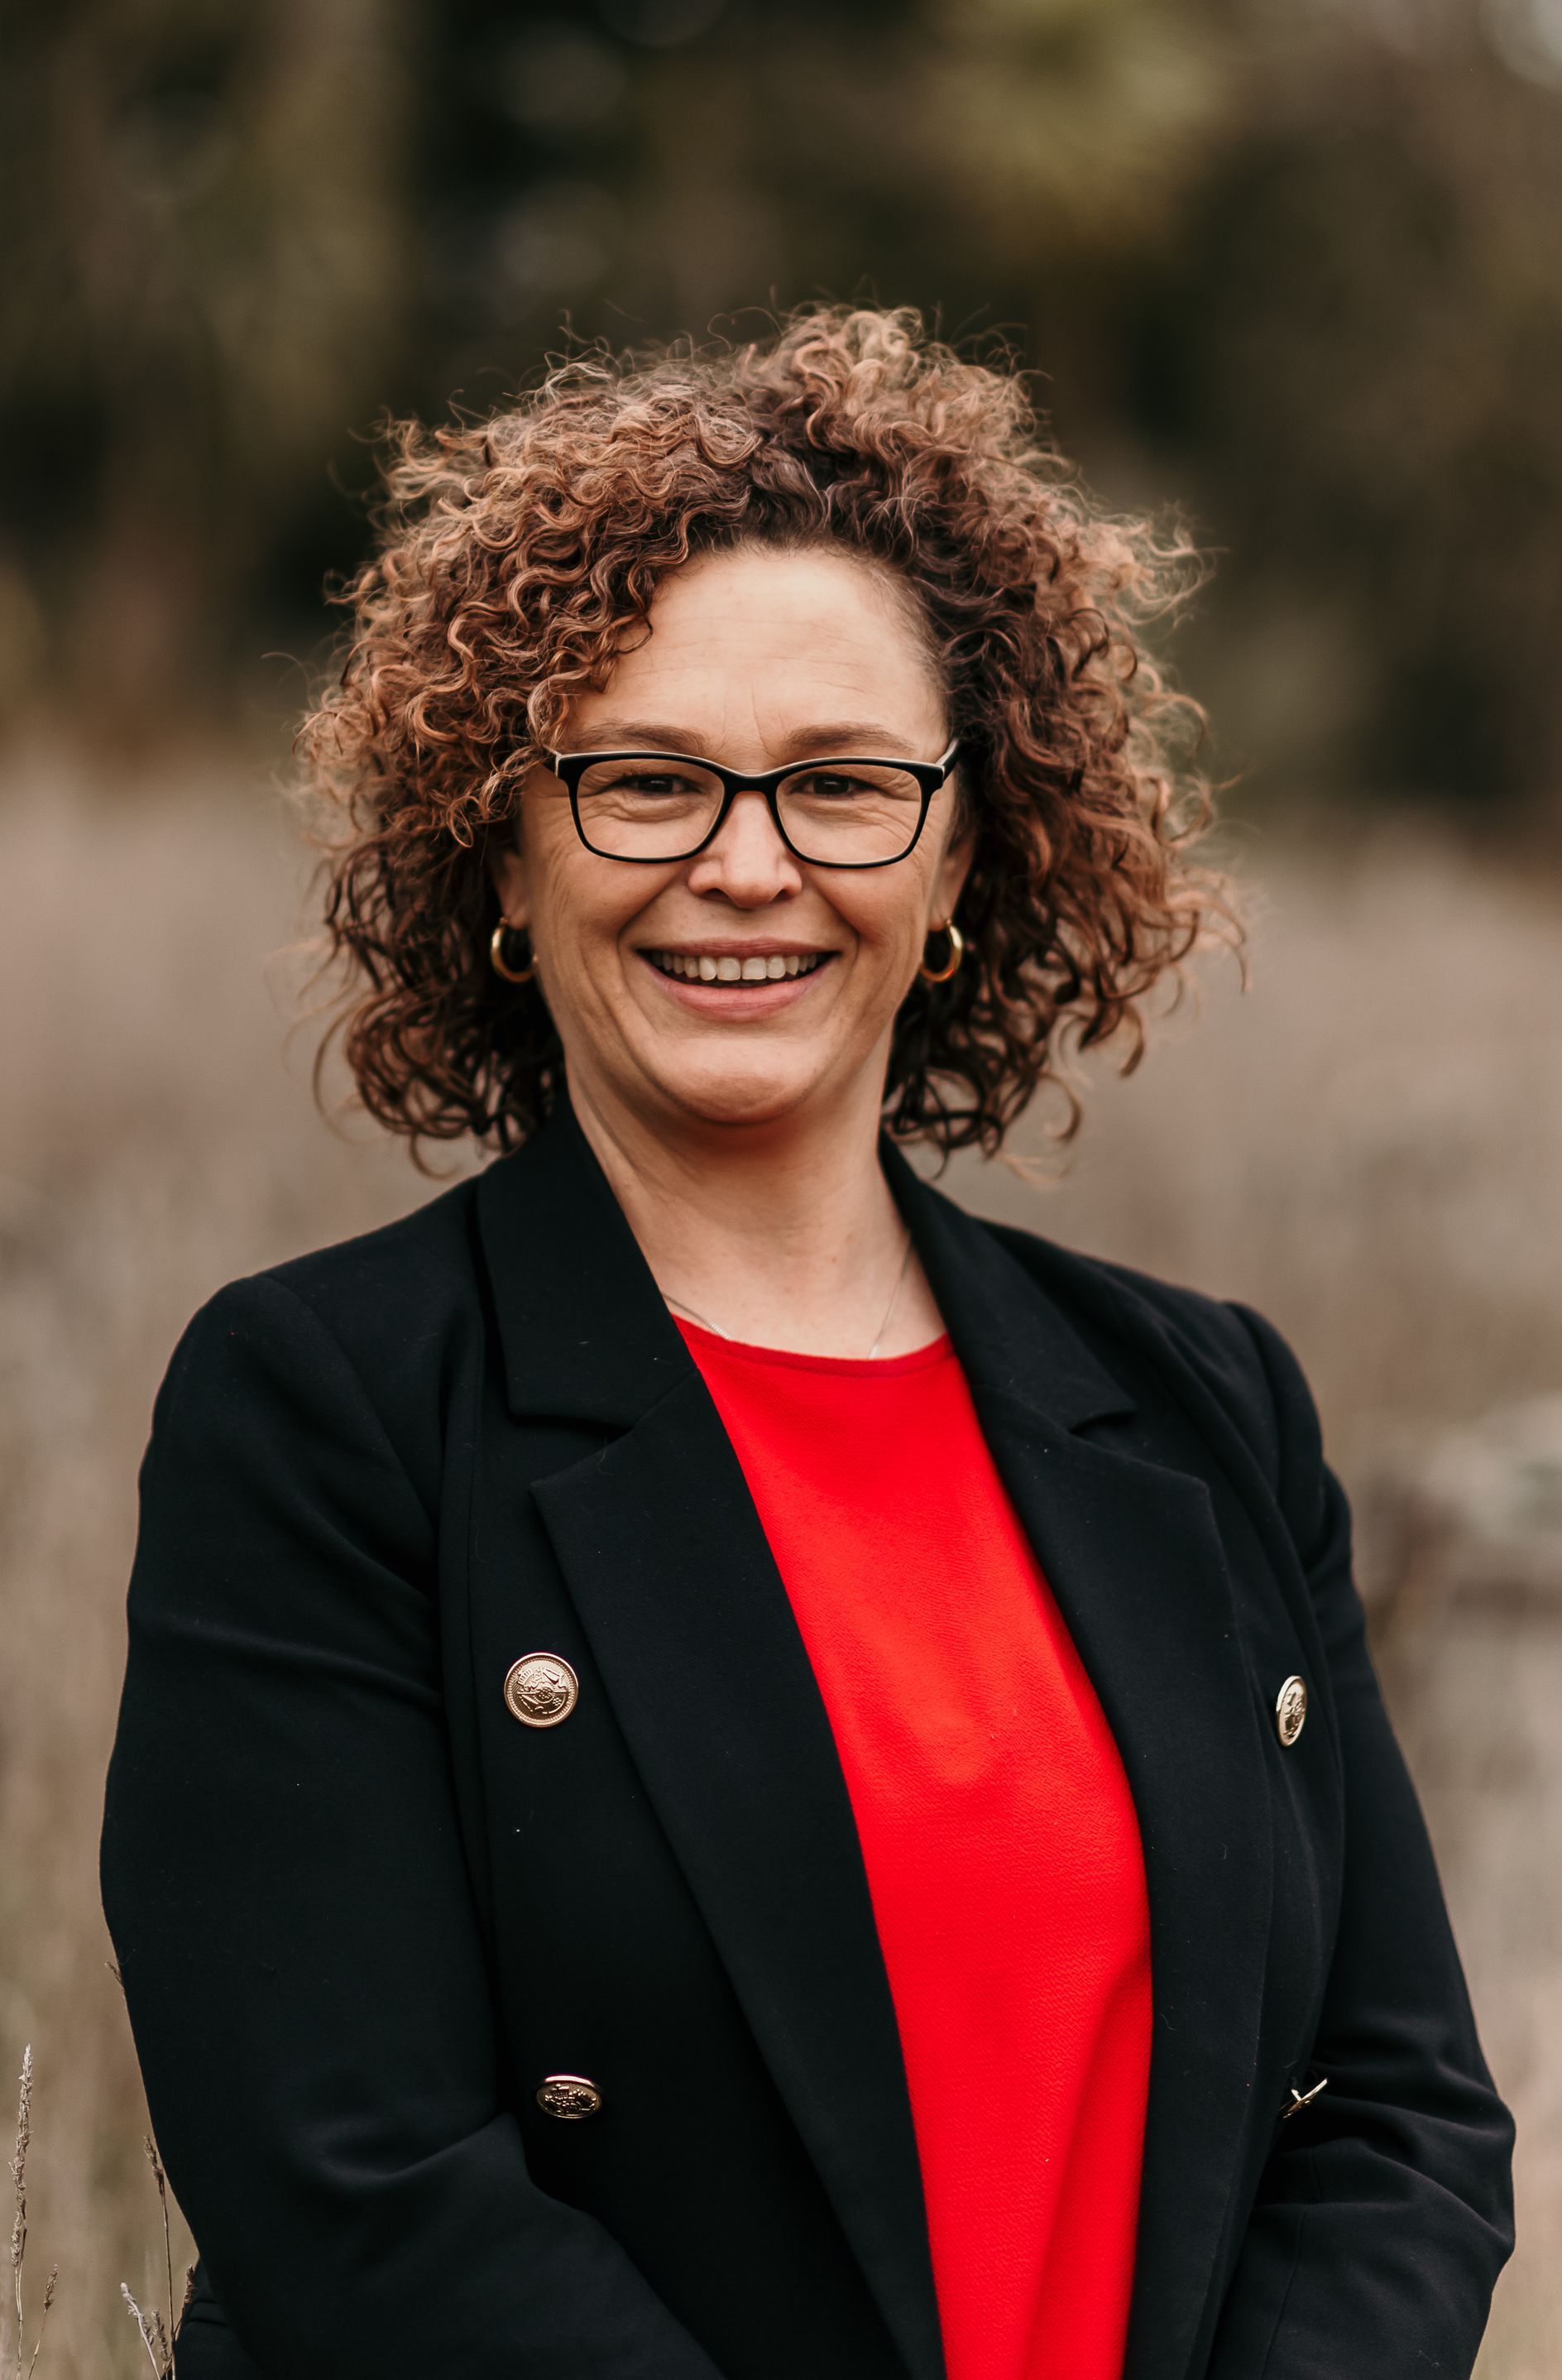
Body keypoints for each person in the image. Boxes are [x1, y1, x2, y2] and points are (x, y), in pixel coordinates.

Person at [99, 306, 1513, 2380]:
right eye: (646, 779)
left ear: (961, 855)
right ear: (507, 846)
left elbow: (1404, 2125)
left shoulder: (1213, 1406)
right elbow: (359, 2185)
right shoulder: (325, 1410)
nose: (745, 864)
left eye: (843, 784)